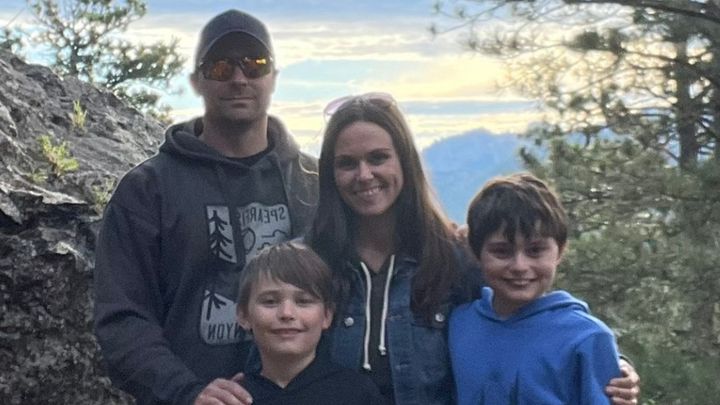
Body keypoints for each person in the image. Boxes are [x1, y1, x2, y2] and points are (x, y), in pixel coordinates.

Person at [307, 93, 641, 405]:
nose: (364, 174)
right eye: (347, 163)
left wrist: (609, 365)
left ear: (405, 162)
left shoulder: (454, 258)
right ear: (330, 172)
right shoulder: (308, 265)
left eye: (378, 158)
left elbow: (525, 318)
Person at [93, 9, 317, 405]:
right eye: (220, 66)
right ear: (197, 81)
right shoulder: (147, 190)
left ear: (273, 77)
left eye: (255, 64)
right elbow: (122, 317)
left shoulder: (314, 184)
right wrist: (186, 391)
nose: (239, 78)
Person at [450, 173, 622, 404]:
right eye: (502, 251)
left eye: (535, 251)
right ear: (475, 253)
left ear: (560, 251)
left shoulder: (587, 338)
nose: (520, 266)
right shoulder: (460, 323)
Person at [235, 241, 385, 404]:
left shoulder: (357, 394)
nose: (286, 313)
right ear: (243, 315)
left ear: (327, 315)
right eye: (270, 301)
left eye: (303, 301)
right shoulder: (232, 397)